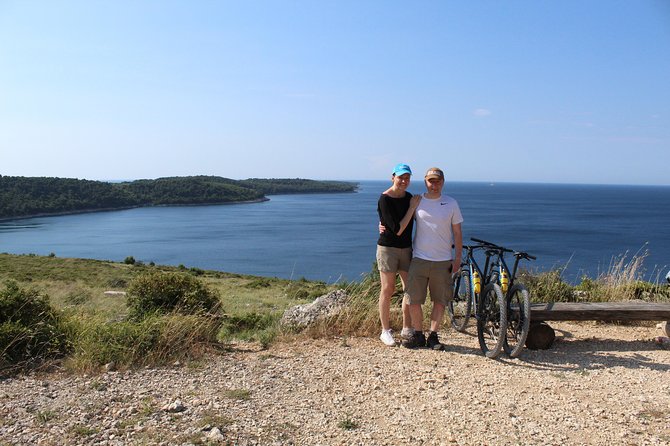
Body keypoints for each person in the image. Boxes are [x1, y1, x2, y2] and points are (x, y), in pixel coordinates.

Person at [402, 167, 463, 350]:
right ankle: (419, 335)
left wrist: (457, 258)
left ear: (443, 182)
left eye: (437, 181)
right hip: (419, 258)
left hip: (443, 260)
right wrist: (383, 225)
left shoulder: (451, 203)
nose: (434, 185)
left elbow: (458, 233)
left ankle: (433, 336)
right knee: (413, 299)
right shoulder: (417, 201)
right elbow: (402, 219)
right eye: (431, 181)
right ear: (425, 182)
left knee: (440, 300)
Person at [376, 163, 422, 346]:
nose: (404, 181)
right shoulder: (385, 199)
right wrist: (411, 208)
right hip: (388, 249)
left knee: (409, 290)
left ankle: (406, 328)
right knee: (388, 289)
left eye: (407, 178)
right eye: (401, 177)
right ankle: (385, 331)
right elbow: (397, 230)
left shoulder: (409, 197)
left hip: (406, 249)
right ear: (393, 177)